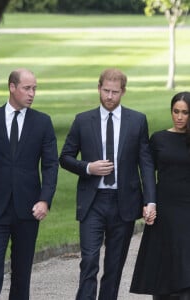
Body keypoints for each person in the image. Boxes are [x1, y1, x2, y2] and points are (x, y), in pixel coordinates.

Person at [59, 68, 156, 300]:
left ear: (123, 92)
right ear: (98, 88)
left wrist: (150, 200)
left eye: (115, 92)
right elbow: (65, 157)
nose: (109, 96)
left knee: (114, 266)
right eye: (105, 91)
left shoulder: (137, 121)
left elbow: (146, 164)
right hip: (93, 201)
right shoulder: (83, 120)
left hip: (124, 203)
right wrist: (88, 168)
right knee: (89, 260)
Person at [0, 68, 59, 300]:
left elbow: (50, 166)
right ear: (12, 87)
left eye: (34, 89)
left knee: (22, 274)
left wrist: (45, 200)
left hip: (28, 209)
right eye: (27, 88)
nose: (32, 93)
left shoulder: (42, 122)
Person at [130, 92, 190, 300]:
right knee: (163, 258)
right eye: (176, 111)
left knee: (185, 256)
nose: (179, 117)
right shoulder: (159, 138)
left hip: (187, 208)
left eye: (185, 112)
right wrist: (148, 203)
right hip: (164, 206)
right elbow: (147, 173)